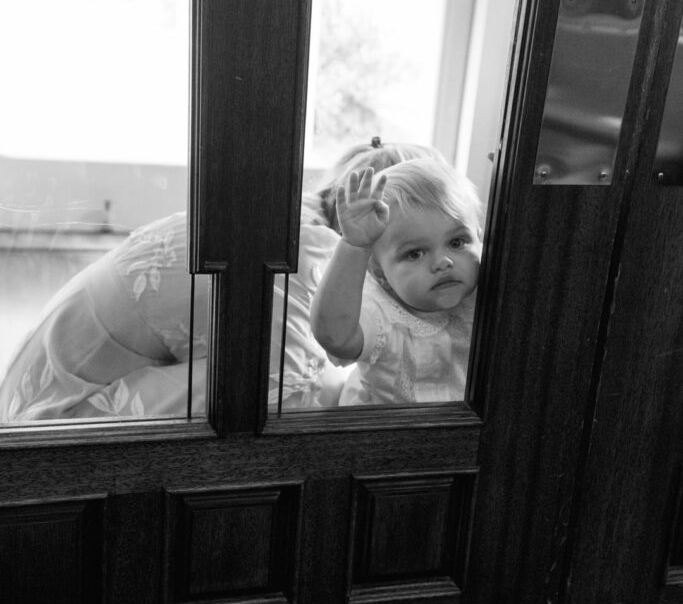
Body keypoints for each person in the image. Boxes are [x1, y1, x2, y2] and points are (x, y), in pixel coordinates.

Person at [0, 141, 447, 422]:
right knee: (285, 396)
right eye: (413, 248)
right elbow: (279, 397)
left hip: (45, 388)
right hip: (56, 420)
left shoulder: (287, 214)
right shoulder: (307, 249)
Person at [310, 158, 482, 406]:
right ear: (381, 275)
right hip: (386, 434)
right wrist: (354, 247)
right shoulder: (381, 312)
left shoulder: (487, 286)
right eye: (415, 253)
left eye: (457, 242)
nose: (443, 262)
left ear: (479, 238)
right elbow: (335, 337)